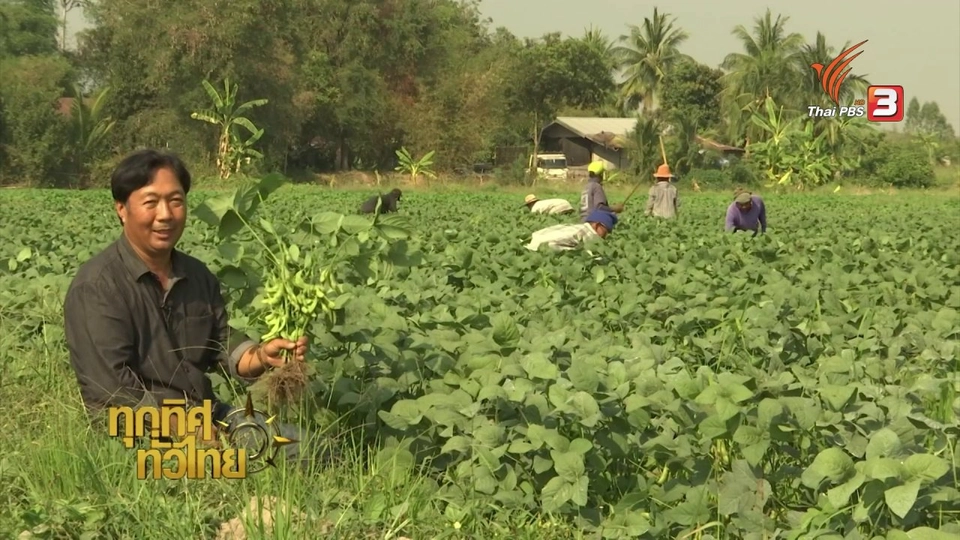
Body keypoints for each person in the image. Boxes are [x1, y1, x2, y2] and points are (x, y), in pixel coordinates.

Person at [63, 148, 328, 468]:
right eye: (151, 202)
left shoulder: (197, 275)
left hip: (206, 416)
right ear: (122, 209)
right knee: (226, 469)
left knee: (311, 449)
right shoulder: (98, 286)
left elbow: (220, 342)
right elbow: (111, 390)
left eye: (176, 201)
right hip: (134, 431)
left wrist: (261, 357)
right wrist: (183, 430)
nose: (165, 214)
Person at [525, 209, 618, 251]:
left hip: (532, 243)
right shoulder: (587, 233)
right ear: (597, 225)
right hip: (540, 249)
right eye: (606, 231)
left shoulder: (577, 227)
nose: (605, 236)